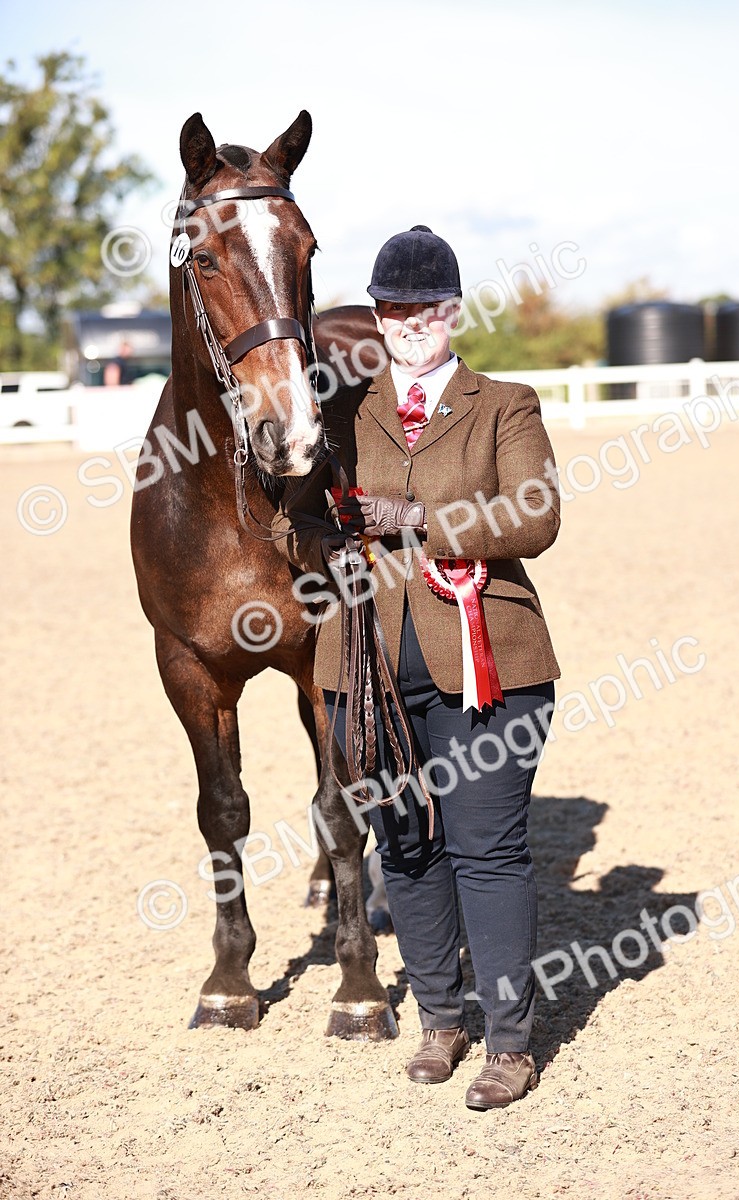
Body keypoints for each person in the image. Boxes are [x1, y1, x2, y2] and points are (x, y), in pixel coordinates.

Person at [274, 225, 561, 1110]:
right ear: (380, 314)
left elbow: (536, 514)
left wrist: (420, 523)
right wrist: (331, 536)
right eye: (392, 308)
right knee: (405, 850)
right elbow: (291, 529)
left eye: (422, 308)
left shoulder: (503, 402)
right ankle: (440, 1021)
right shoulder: (337, 411)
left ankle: (508, 1044)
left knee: (487, 849)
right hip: (364, 665)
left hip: (490, 664)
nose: (406, 323)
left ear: (450, 312)